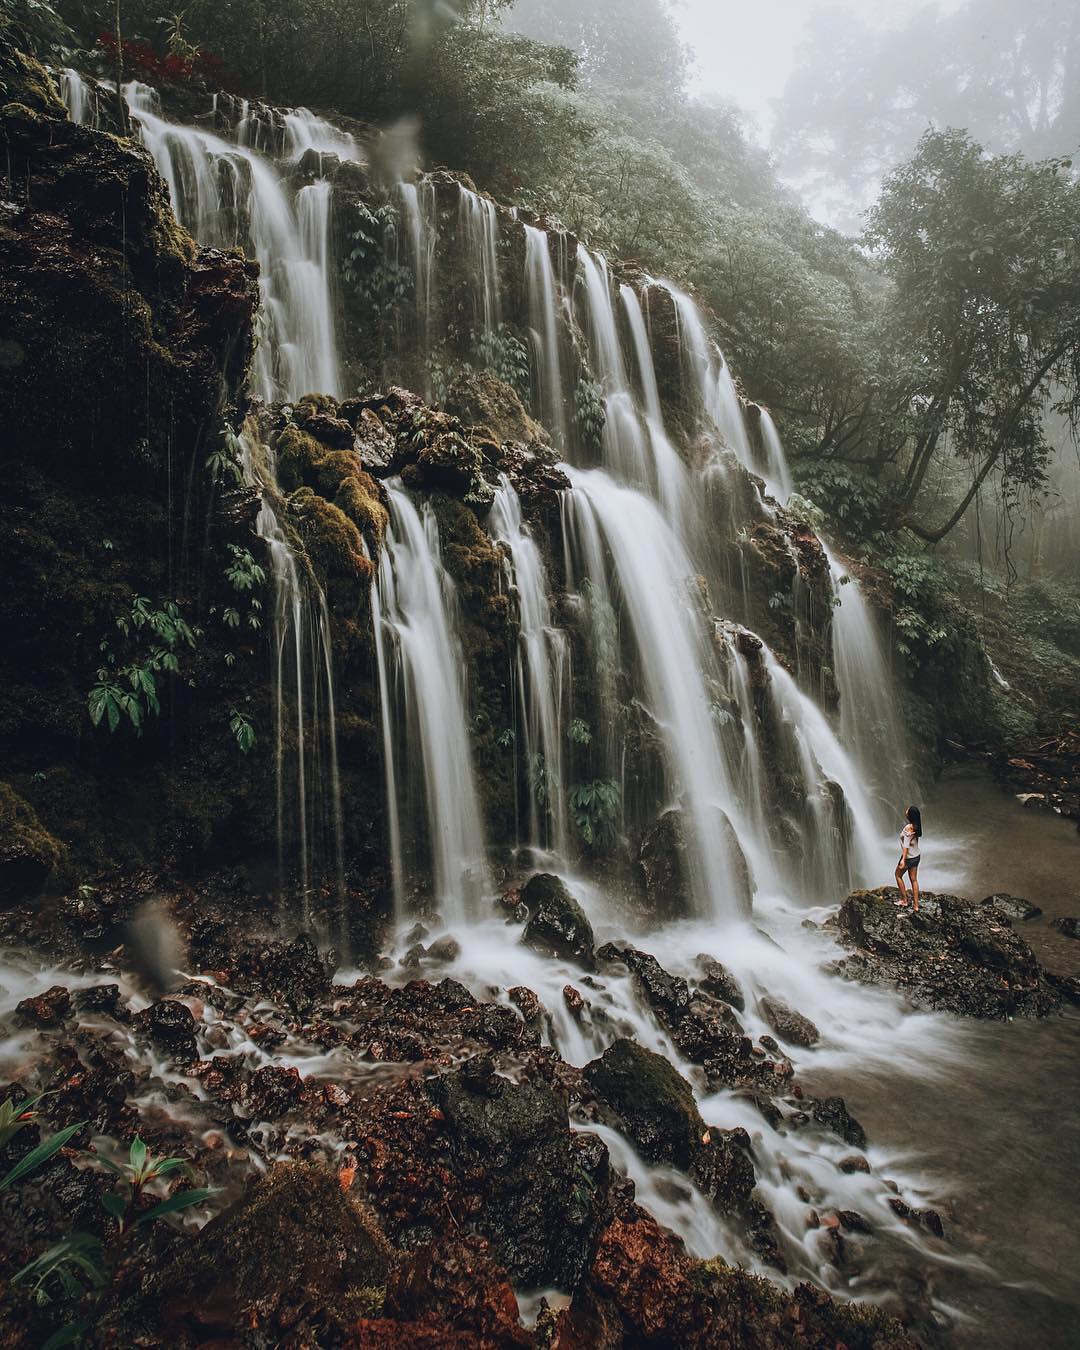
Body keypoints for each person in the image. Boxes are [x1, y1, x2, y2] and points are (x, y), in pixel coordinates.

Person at [894, 805, 922, 911]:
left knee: (897, 875)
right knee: (914, 880)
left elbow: (906, 845)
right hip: (916, 856)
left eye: (908, 810)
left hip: (909, 857)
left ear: (910, 815)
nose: (906, 810)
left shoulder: (908, 828)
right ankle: (916, 906)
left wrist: (903, 859)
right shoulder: (917, 826)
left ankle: (904, 900)